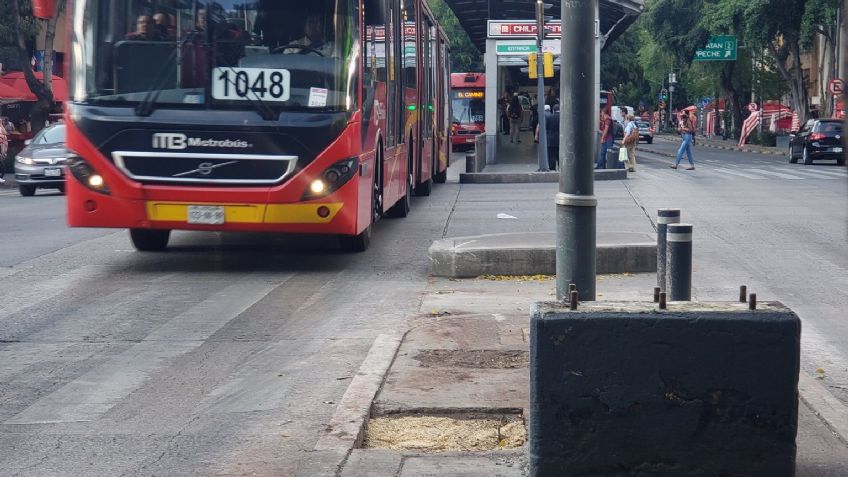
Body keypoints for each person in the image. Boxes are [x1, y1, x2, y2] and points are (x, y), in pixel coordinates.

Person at [545, 104, 560, 171]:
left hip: (551, 139)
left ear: (553, 110)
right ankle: (561, 167)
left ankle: (552, 168)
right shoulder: (564, 117)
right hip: (560, 139)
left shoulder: (550, 117)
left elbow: (546, 127)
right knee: (560, 154)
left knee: (551, 155)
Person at [0, 119, 7, 184]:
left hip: (2, 147)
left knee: (2, 165)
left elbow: (5, 133)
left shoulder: (1, 128)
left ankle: (1, 177)